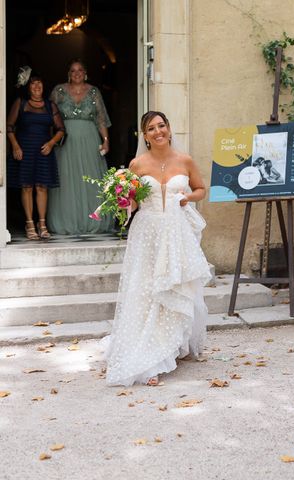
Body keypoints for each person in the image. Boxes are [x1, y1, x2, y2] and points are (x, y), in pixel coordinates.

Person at [103, 111, 211, 387]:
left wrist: (187, 198)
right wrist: (122, 199)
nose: (158, 131)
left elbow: (201, 189)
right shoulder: (137, 164)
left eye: (161, 125)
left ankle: (175, 342)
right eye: (151, 128)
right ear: (145, 135)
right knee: (147, 288)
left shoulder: (185, 160)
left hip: (176, 232)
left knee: (175, 286)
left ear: (169, 129)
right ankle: (149, 349)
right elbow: (133, 202)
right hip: (147, 233)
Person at [47, 59, 112, 234]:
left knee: (90, 177)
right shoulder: (58, 90)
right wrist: (49, 139)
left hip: (89, 139)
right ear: (69, 74)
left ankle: (93, 219)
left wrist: (105, 140)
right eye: (73, 71)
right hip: (64, 141)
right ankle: (66, 221)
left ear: (85, 73)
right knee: (67, 178)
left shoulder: (93, 91)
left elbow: (100, 118)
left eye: (80, 70)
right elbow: (48, 115)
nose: (77, 73)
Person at [6, 67, 65, 240]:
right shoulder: (21, 103)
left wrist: (51, 143)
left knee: (41, 186)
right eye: (33, 83)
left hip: (43, 150)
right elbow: (9, 127)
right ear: (28, 87)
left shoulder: (50, 105)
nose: (37, 85)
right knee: (26, 186)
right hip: (24, 150)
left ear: (43, 85)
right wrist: (15, 146)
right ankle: (29, 223)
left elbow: (61, 129)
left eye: (39, 82)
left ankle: (42, 223)